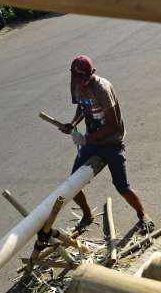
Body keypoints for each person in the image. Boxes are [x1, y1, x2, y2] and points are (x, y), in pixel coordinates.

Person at [60, 55, 154, 234]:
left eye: (84, 79)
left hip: (111, 143)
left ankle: (143, 215)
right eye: (77, 78)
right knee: (72, 186)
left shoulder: (102, 89)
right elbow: (82, 106)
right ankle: (87, 215)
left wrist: (87, 139)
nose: (81, 83)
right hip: (92, 143)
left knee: (121, 186)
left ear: (92, 74)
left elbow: (113, 125)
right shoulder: (76, 84)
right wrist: (73, 124)